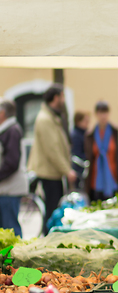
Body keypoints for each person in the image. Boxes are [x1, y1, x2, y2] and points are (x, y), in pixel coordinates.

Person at [28, 83, 76, 235]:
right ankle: (49, 239)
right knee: (52, 210)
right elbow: (52, 150)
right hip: (49, 173)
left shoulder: (50, 117)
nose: (64, 100)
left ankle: (51, 238)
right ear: (56, 97)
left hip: (52, 172)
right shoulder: (45, 119)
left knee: (53, 208)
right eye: (62, 96)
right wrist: (67, 170)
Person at [0, 99, 28, 236]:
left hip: (9, 190)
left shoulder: (11, 131)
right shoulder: (7, 130)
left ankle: (14, 258)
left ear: (2, 113)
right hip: (5, 190)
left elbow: (11, 163)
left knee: (10, 231)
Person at [84, 101, 118, 202]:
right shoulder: (90, 135)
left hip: (114, 177)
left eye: (105, 112)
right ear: (96, 114)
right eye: (100, 113)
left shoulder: (116, 132)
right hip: (96, 179)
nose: (103, 116)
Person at [71, 111, 90, 188]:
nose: (87, 123)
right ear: (78, 122)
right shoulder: (76, 135)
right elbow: (77, 154)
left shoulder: (84, 134)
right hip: (79, 169)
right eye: (85, 121)